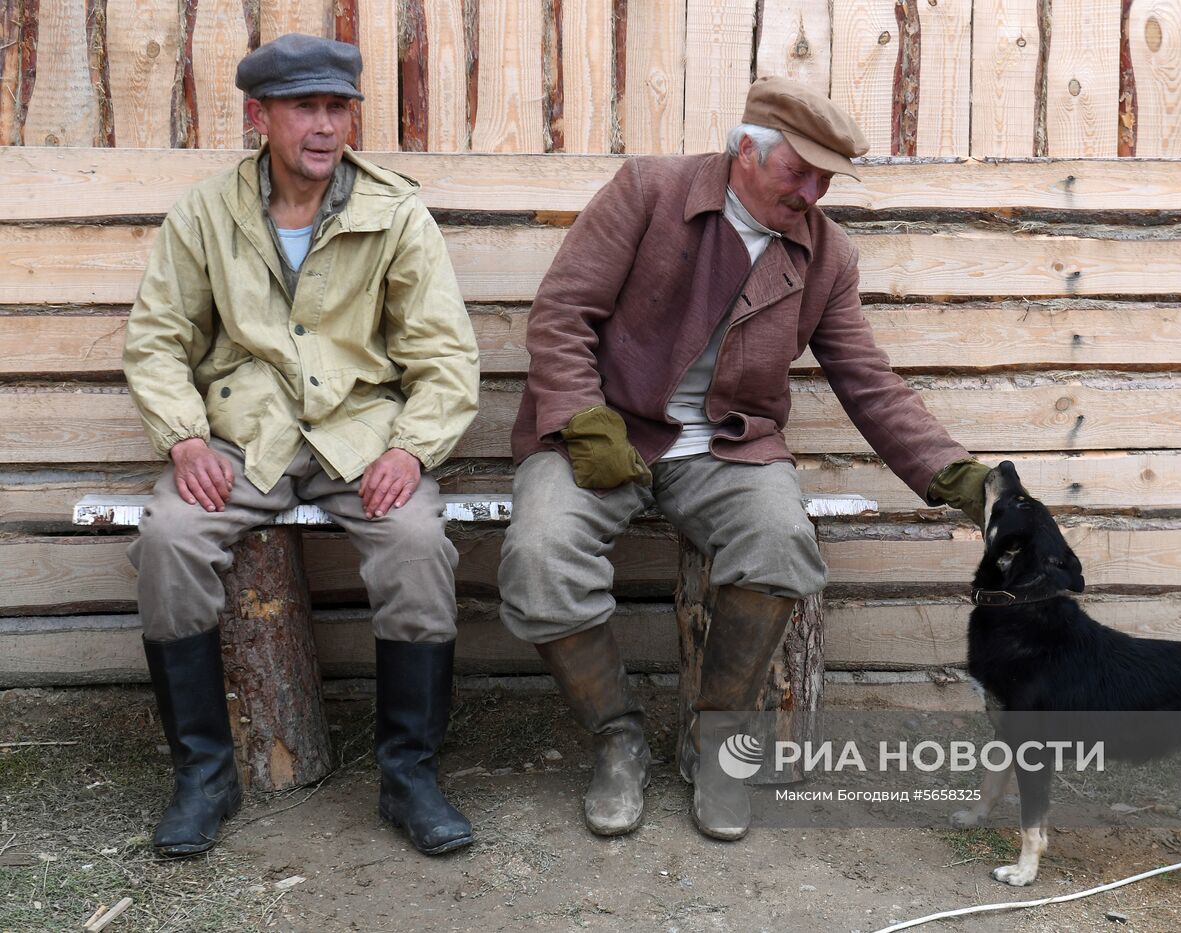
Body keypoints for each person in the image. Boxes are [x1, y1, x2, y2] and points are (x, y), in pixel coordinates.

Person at [498, 76, 994, 841]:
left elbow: (869, 381)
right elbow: (564, 311)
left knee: (780, 543)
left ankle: (711, 746)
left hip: (726, 447)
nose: (812, 191)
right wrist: (579, 419)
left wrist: (956, 474)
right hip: (606, 431)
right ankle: (617, 738)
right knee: (539, 553)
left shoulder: (827, 255)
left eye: (826, 177)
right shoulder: (648, 191)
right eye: (798, 169)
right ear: (745, 150)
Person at [122, 33, 480, 858]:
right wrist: (182, 438)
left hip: (362, 439)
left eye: (337, 108)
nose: (324, 127)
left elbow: (445, 355)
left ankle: (409, 776)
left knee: (420, 544)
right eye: (303, 108)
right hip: (244, 437)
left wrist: (413, 450)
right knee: (171, 541)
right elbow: (157, 341)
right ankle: (204, 776)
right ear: (261, 116)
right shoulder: (206, 215)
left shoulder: (395, 216)